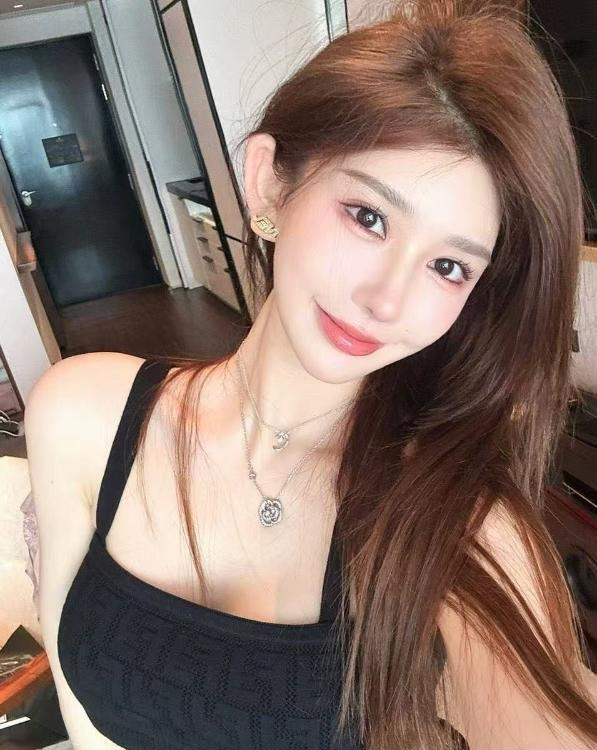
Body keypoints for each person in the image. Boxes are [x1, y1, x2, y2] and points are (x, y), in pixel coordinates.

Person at [24, 1, 597, 748]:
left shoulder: (459, 527)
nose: (386, 300)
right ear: (270, 183)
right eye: (368, 217)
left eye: (448, 266)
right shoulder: (81, 414)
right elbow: (81, 701)